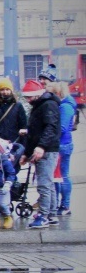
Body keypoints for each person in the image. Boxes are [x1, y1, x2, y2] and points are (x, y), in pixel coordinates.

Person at [20, 79, 61, 228]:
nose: (28, 100)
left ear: (37, 95)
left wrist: (41, 147)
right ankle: (51, 214)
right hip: (46, 148)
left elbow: (50, 128)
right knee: (48, 184)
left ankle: (44, 215)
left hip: (47, 150)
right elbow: (34, 132)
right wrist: (27, 152)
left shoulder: (47, 105)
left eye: (30, 97)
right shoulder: (41, 105)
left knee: (44, 184)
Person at [54, 80, 77, 218]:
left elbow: (61, 128)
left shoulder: (65, 107)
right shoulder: (67, 105)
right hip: (64, 143)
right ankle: (62, 204)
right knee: (61, 175)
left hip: (63, 144)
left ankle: (65, 205)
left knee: (62, 175)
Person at [0, 78, 28, 146]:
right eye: (2, 89)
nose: (5, 92)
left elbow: (23, 126)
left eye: (7, 89)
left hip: (14, 142)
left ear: (11, 90)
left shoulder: (18, 106)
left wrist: (23, 147)